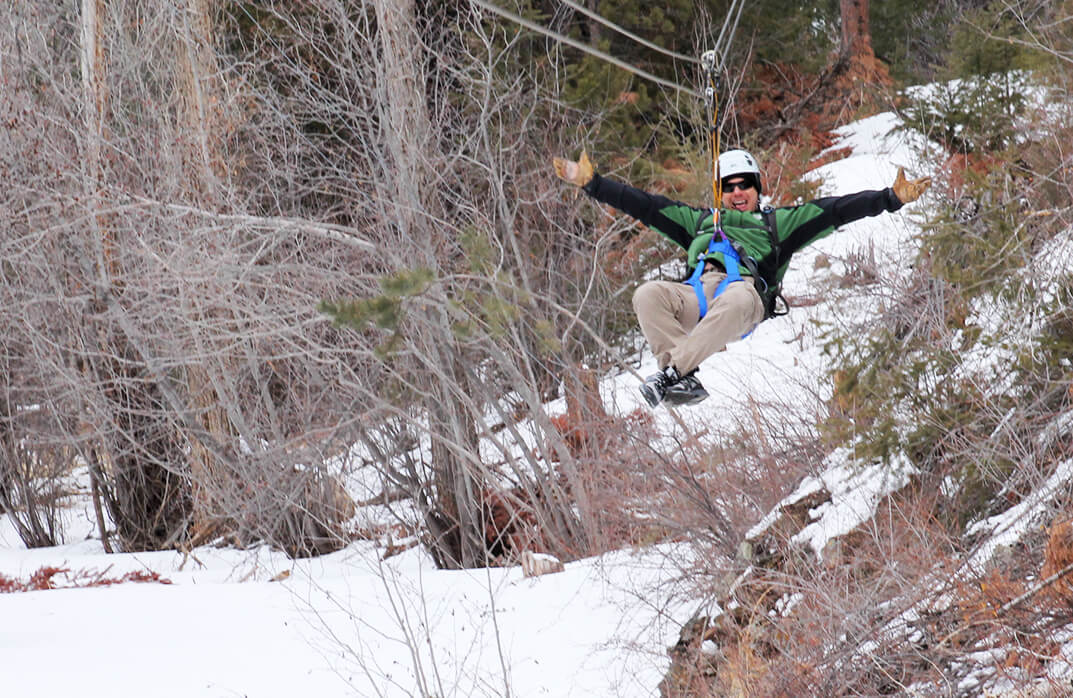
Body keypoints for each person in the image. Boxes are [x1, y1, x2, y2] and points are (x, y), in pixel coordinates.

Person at [553, 148, 931, 408]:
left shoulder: (777, 224)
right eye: (729, 187)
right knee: (648, 293)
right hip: (697, 296)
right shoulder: (699, 221)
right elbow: (647, 206)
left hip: (744, 298)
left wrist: (889, 198)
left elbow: (834, 210)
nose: (737, 193)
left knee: (734, 298)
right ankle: (680, 376)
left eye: (744, 185)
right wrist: (594, 184)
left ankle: (673, 373)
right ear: (720, 192)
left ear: (756, 189)